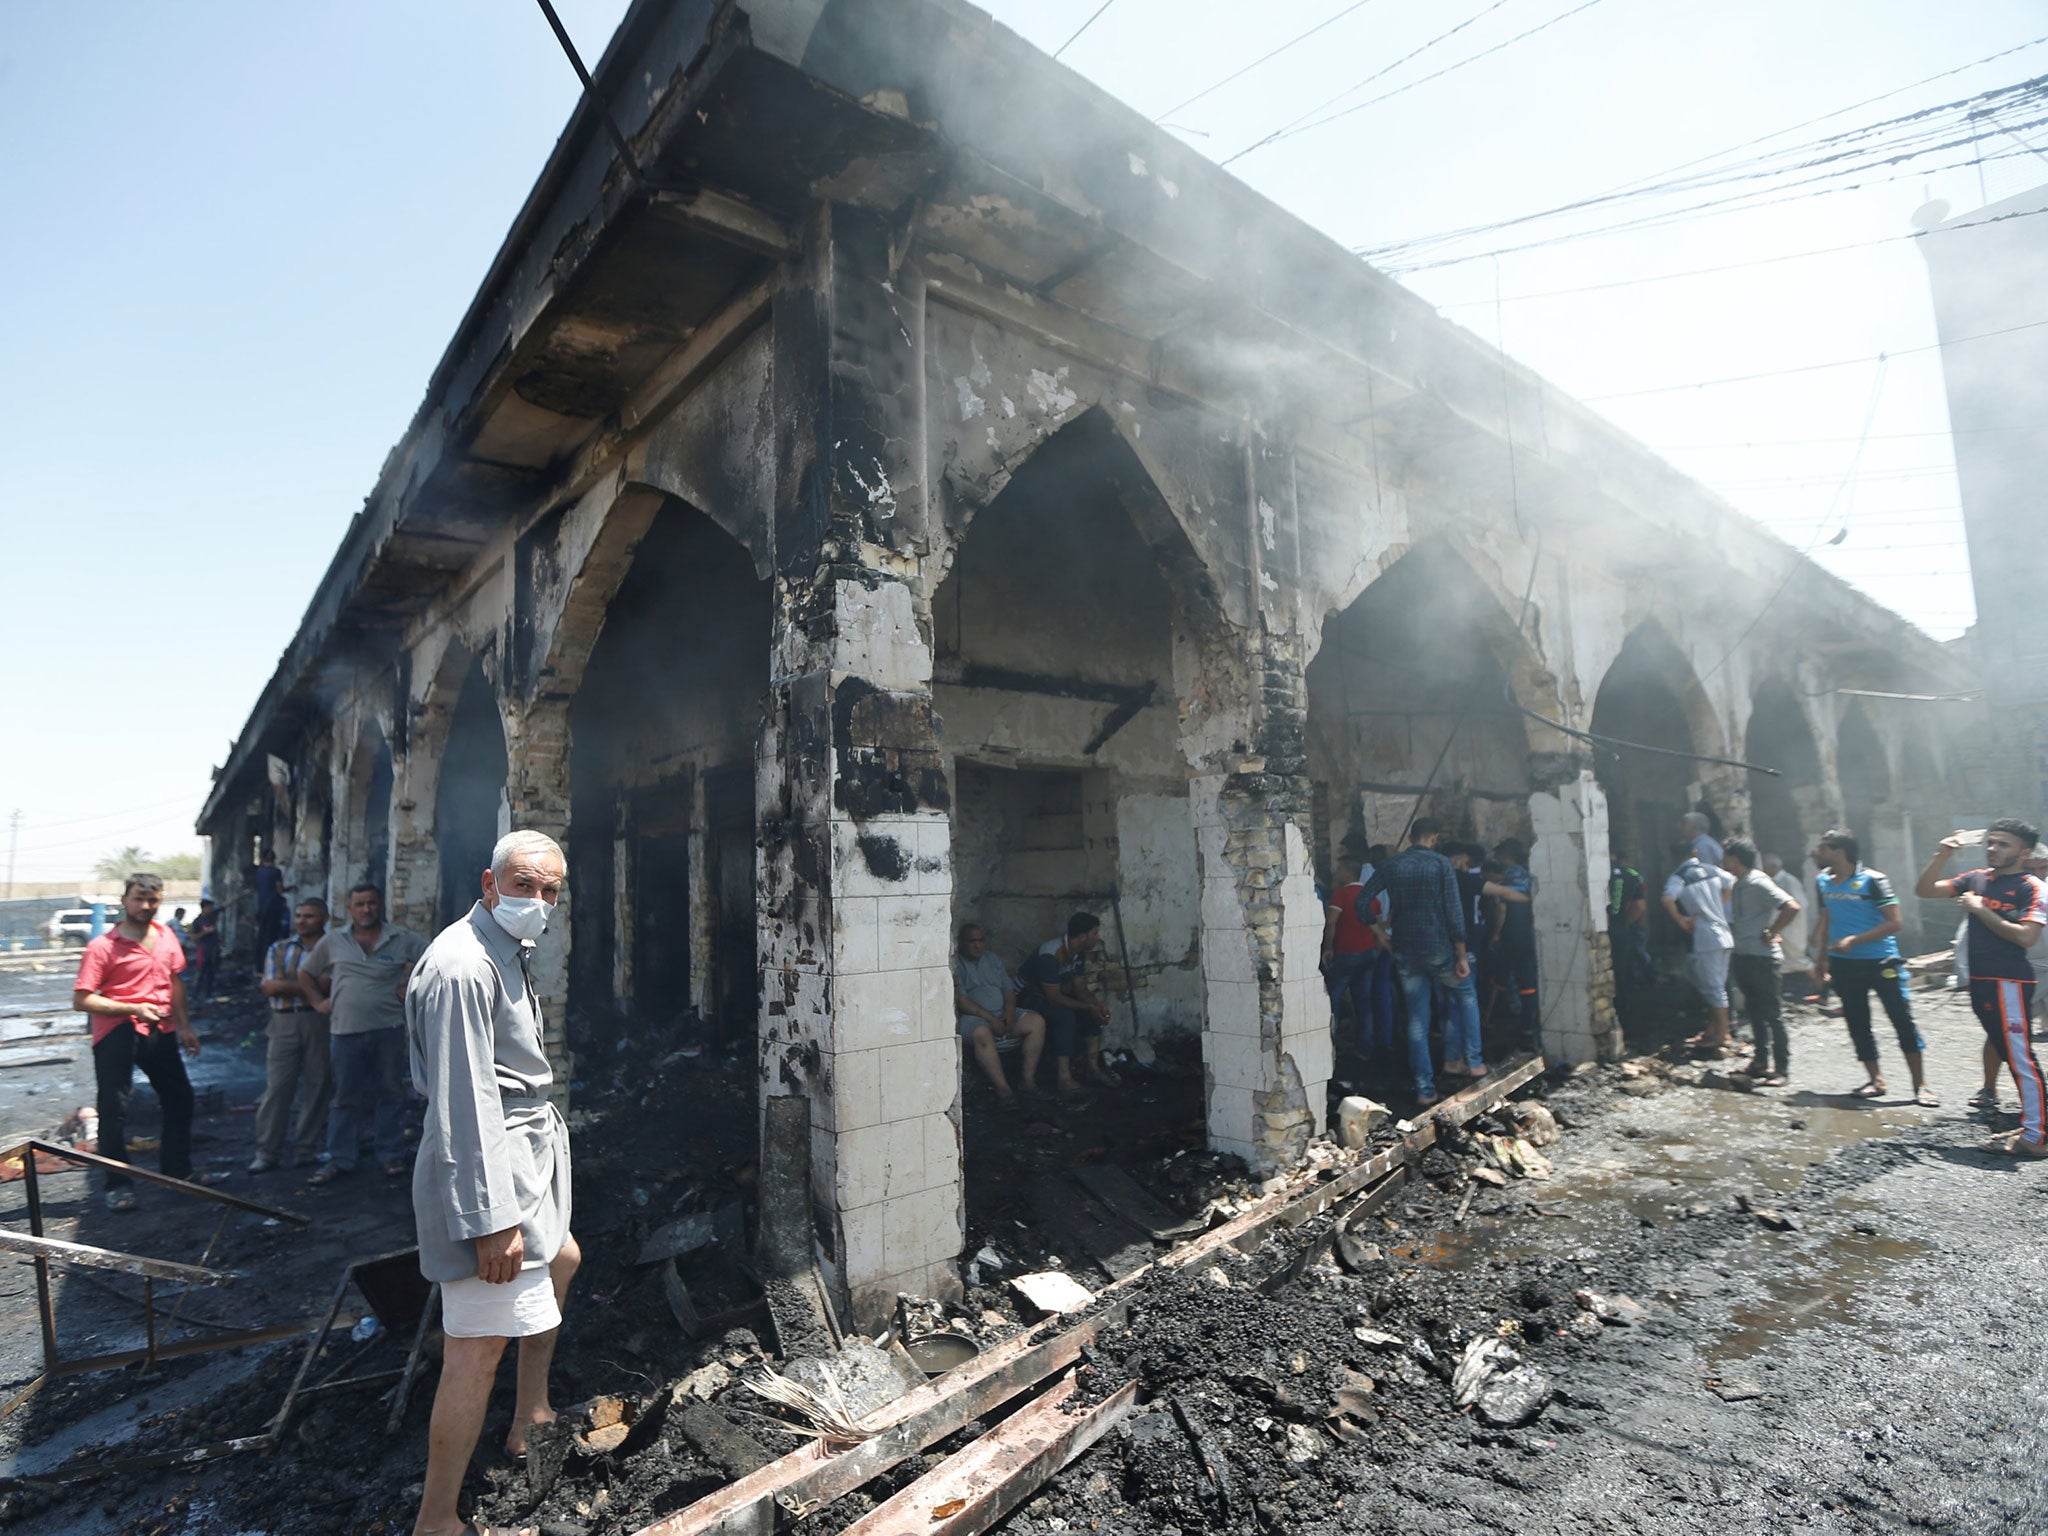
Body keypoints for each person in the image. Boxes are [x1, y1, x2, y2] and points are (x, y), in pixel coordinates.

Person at [405, 830, 578, 1536]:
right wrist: (490, 1221)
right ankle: (436, 1517)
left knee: (564, 1258)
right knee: (475, 1349)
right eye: (525, 885)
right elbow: (463, 1104)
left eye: (550, 891)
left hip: (526, 1149)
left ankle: (529, 1412)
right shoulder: (461, 968)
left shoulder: (506, 952)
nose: (537, 901)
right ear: (488, 883)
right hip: (490, 1160)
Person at [71, 874, 203, 1211]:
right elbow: (83, 999)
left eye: (153, 900)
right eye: (138, 899)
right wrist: (132, 1007)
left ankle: (178, 1171)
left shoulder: (166, 936)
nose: (145, 906)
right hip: (117, 1031)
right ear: (124, 900)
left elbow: (175, 983)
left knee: (180, 1098)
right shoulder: (102, 947)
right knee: (115, 1110)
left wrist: (186, 1027)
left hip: (161, 1028)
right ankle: (117, 1185)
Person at [1915, 819, 2048, 1154]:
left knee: (2020, 1057)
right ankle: (2034, 1126)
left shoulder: (2031, 886)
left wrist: (1980, 909)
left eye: (2003, 844)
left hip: (2010, 981)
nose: (1993, 848)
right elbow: (1925, 890)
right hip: (1981, 980)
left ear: (2025, 852)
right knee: (2008, 1052)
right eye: (1991, 842)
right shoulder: (1976, 878)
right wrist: (1942, 854)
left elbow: (2027, 936)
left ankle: (2037, 1138)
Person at [302, 883, 425, 1183]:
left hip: (388, 1030)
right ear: (350, 909)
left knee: (390, 1094)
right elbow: (306, 972)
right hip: (345, 1032)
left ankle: (390, 1154)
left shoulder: (400, 938)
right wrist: (317, 1002)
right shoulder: (334, 941)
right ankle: (341, 1157)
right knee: (345, 1096)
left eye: (371, 903)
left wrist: (411, 987)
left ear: (379, 905)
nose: (366, 909)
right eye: (360, 904)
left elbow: (434, 959)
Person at [1357, 817, 1479, 1103]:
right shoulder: (1440, 864)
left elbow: (1362, 901)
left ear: (1411, 837)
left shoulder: (1392, 865)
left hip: (1405, 950)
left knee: (1416, 1019)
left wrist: (1379, 932)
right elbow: (1454, 911)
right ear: (1434, 838)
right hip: (1438, 948)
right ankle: (1474, 1062)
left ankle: (1425, 1090)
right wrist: (1461, 954)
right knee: (1466, 993)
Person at [1811, 829, 1935, 1105]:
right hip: (1844, 965)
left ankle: (1921, 1086)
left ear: (1839, 852)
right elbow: (1828, 919)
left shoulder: (1873, 881)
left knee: (1901, 1020)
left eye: (1823, 849)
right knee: (1857, 1022)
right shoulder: (1822, 882)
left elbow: (1894, 922)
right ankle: (1876, 1080)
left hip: (1881, 962)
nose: (1817, 855)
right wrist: (1822, 959)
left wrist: (1855, 940)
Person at [250, 898, 334, 1172]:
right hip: (283, 1023)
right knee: (278, 1087)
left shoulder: (334, 948)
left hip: (319, 1022)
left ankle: (305, 1149)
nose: (301, 921)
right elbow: (270, 987)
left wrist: (293, 985)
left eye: (309, 916)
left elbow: (333, 984)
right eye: (298, 915)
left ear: (324, 918)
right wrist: (312, 986)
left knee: (318, 1085)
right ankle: (267, 1152)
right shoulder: (279, 948)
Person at [1722, 839, 1800, 1086]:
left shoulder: (1758, 882)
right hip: (1745, 956)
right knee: (1755, 1012)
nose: (1723, 863)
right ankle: (1760, 1062)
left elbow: (1791, 906)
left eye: (1726, 858)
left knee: (1772, 1014)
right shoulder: (1741, 883)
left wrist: (1772, 931)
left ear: (1734, 858)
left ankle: (1782, 1070)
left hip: (1762, 959)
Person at [1016, 913, 1117, 1097]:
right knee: (1065, 1016)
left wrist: (1096, 1006)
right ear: (1082, 936)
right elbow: (1054, 998)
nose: (1098, 937)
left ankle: (1092, 1068)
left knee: (1090, 1014)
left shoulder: (1077, 953)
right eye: (1095, 933)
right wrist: (1087, 1006)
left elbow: (1080, 988)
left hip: (1050, 994)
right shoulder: (1052, 954)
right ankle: (1064, 1077)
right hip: (1027, 996)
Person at [953, 923, 1046, 1102]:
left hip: (1002, 1013)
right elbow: (962, 1001)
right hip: (974, 1017)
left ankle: (1027, 1082)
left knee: (1037, 1022)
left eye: (981, 940)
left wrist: (1009, 1013)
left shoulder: (992, 959)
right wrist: (991, 1019)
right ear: (961, 943)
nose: (977, 945)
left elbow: (1008, 990)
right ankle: (1004, 1090)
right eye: (972, 941)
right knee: (981, 1033)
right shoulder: (957, 964)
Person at [1662, 838, 1738, 1052]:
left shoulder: (1680, 876)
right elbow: (1732, 882)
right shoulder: (1711, 869)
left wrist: (1680, 919)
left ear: (1674, 857)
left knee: (1713, 988)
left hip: (1706, 938)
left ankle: (1723, 1035)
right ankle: (1713, 1029)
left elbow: (1667, 898)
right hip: (1724, 934)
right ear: (1694, 851)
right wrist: (1718, 906)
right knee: (1713, 985)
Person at [1324, 853, 1392, 1059]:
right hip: (1369, 953)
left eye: (1339, 870)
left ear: (1348, 872)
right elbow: (1379, 927)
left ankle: (1330, 1049)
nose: (1336, 873)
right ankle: (1364, 1048)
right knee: (1364, 1001)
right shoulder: (1371, 897)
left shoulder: (1340, 894)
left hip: (1347, 953)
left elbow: (1331, 922)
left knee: (1333, 999)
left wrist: (1328, 947)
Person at [1489, 838, 1540, 1043]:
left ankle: (1491, 1020)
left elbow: (1502, 908)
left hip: (1510, 935)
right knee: (1528, 983)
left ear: (1504, 856)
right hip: (1528, 935)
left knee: (1499, 979)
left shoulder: (1506, 880)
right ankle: (1529, 1025)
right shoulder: (1530, 877)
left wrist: (1495, 934)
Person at [1607, 847, 1651, 992]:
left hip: (1602, 928)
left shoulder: (1599, 873)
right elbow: (1640, 906)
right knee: (1623, 971)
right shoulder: (1632, 875)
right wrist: (1626, 921)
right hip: (1622, 927)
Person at [251, 850, 288, 958]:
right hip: (273, 908)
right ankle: (268, 960)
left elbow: (256, 889)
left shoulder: (259, 872)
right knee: (271, 936)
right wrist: (289, 889)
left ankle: (259, 963)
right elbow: (280, 889)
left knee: (261, 936)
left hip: (261, 908)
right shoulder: (276, 871)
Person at [188, 897, 221, 1002]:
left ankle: (208, 995)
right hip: (203, 950)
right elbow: (193, 937)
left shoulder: (213, 916)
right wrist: (206, 932)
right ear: (203, 908)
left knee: (211, 973)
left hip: (214, 950)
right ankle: (195, 994)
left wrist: (243, 895)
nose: (211, 909)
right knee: (200, 972)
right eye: (209, 907)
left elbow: (227, 904)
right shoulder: (198, 921)